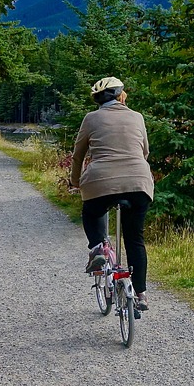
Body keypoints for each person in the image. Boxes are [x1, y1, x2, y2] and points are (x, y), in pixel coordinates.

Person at [69, 77, 155, 310]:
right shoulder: (137, 117)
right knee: (135, 239)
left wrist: (75, 182)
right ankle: (141, 295)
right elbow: (144, 151)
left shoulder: (91, 118)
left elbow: (78, 155)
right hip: (139, 183)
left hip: (100, 182)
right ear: (121, 95)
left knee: (91, 211)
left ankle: (98, 248)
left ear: (98, 100)